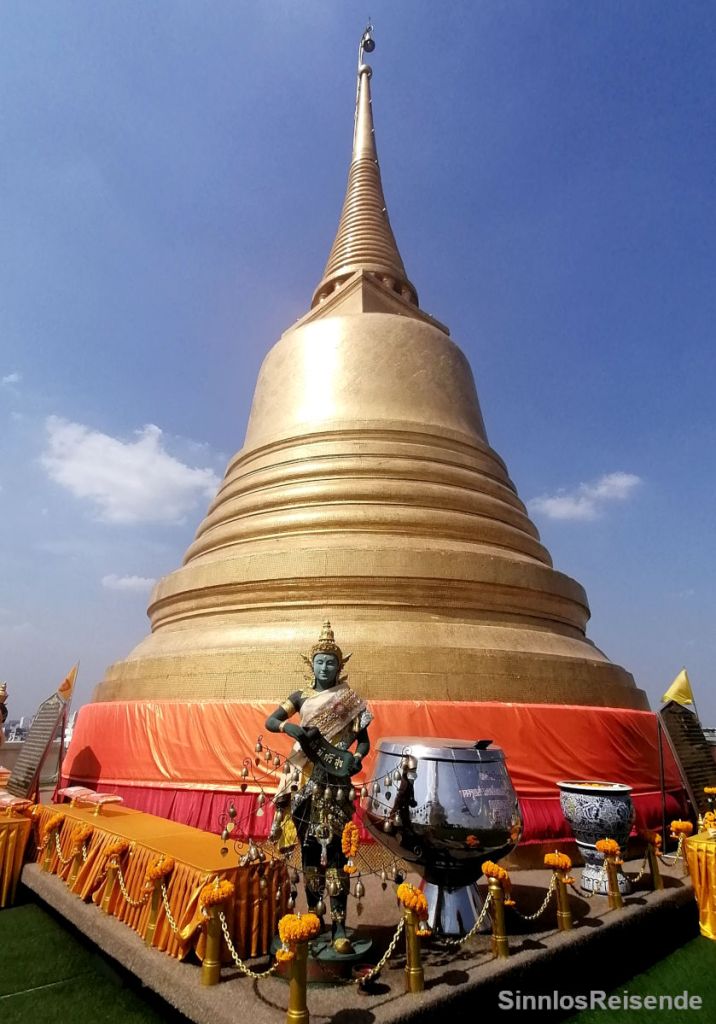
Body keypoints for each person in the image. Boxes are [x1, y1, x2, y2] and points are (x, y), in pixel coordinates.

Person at [265, 622, 371, 953]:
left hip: (336, 781)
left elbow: (364, 742)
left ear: (340, 666)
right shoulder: (300, 697)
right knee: (309, 850)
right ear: (311, 665)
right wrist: (289, 728)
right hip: (304, 780)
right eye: (320, 662)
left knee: (337, 853)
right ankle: (314, 918)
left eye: (331, 662)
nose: (325, 667)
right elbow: (270, 721)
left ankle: (339, 924)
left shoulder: (349, 700)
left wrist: (356, 758)